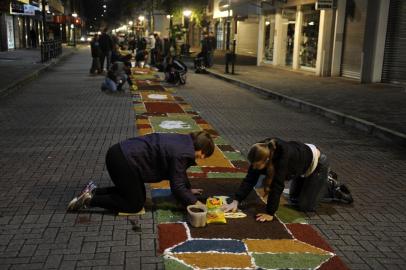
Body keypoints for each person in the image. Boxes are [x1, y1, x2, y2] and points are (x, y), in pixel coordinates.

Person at [67, 131, 215, 213]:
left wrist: (189, 190)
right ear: (202, 151)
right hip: (124, 162)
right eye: (204, 156)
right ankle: (89, 200)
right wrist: (196, 203)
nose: (202, 159)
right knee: (134, 205)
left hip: (121, 155)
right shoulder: (183, 153)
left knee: (136, 195)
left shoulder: (185, 142)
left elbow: (178, 172)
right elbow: (177, 185)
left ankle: (94, 191)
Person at [223, 138, 329, 222]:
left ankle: (329, 184)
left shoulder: (282, 160)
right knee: (293, 198)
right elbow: (249, 180)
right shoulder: (261, 151)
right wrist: (236, 201)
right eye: (253, 165)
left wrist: (270, 213)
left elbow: (277, 187)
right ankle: (315, 184)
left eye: (257, 165)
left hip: (317, 163)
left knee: (305, 206)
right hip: (300, 165)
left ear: (267, 160)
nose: (254, 167)